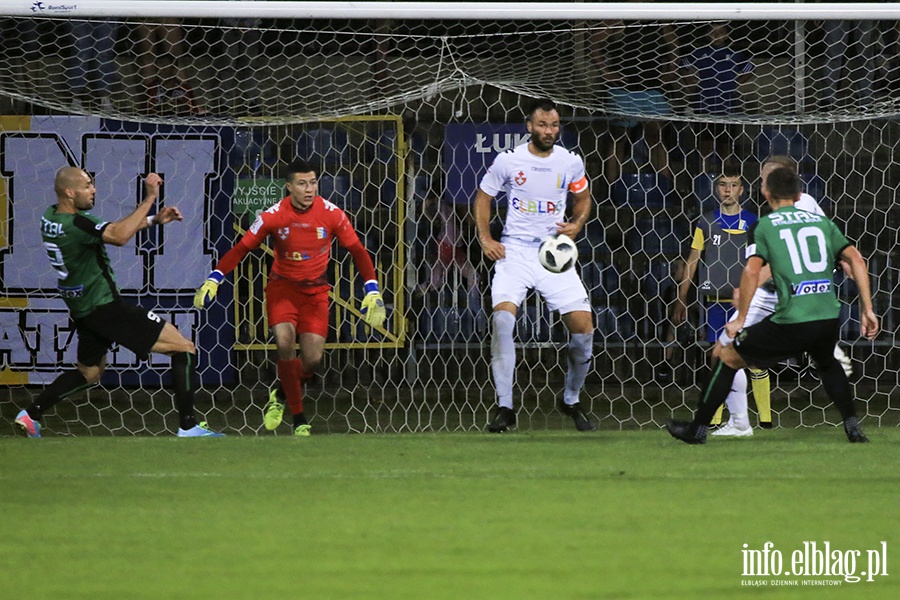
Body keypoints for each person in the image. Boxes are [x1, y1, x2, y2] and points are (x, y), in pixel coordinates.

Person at [666, 167, 879, 445]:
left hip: (791, 319)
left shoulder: (764, 226)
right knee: (827, 364)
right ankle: (853, 428)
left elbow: (753, 271)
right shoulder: (822, 224)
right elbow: (857, 261)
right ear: (799, 194)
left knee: (727, 357)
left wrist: (741, 317)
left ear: (766, 194)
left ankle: (698, 430)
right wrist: (868, 309)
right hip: (827, 315)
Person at [15, 168, 222, 438]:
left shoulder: (50, 217)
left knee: (89, 372)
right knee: (184, 348)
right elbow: (119, 236)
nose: (94, 190)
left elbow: (111, 230)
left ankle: (30, 415)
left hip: (83, 309)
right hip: (105, 307)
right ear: (69, 192)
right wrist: (150, 199)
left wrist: (153, 221)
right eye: (87, 186)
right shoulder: (78, 224)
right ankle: (188, 425)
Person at [194, 159, 386, 437]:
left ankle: (281, 393)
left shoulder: (332, 213)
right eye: (302, 183)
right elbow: (242, 248)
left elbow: (357, 250)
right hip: (282, 289)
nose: (309, 189)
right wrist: (215, 277)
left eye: (313, 182)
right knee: (285, 344)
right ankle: (299, 420)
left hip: (316, 293)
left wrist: (372, 289)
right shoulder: (274, 215)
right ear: (288, 186)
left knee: (312, 360)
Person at [474, 98, 596, 433]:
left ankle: (571, 398)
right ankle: (505, 407)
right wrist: (486, 238)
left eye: (554, 125)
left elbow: (584, 198)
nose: (548, 131)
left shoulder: (569, 162)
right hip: (514, 251)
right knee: (502, 320)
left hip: (553, 253)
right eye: (542, 124)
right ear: (529, 126)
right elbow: (484, 197)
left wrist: (576, 224)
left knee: (584, 329)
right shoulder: (509, 160)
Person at [665, 166, 769, 434]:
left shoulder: (754, 222)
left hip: (745, 302)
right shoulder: (706, 222)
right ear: (716, 189)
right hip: (714, 301)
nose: (727, 190)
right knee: (720, 359)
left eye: (733, 185)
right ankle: (726, 420)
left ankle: (755, 420)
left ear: (742, 190)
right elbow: (693, 260)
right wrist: (681, 298)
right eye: (723, 184)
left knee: (744, 358)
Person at [590, 15, 678, 183]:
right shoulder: (620, 17)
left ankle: (667, 190)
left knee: (656, 138)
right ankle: (613, 189)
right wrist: (605, 71)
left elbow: (673, 42)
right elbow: (594, 43)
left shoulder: (657, 19)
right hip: (623, 89)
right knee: (619, 139)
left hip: (652, 87)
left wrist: (672, 68)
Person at [680, 22, 754, 169]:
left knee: (725, 145)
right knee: (704, 144)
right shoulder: (700, 52)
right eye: (713, 32)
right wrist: (690, 84)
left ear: (726, 35)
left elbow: (750, 70)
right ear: (707, 35)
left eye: (720, 32)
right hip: (704, 103)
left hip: (727, 104)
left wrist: (734, 84)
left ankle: (727, 175)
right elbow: (683, 67)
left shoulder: (734, 54)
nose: (716, 36)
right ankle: (703, 175)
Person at [136, 19, 206, 116]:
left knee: (173, 55)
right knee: (149, 56)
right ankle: (150, 104)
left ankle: (187, 101)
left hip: (161, 7)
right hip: (148, 7)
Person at [67, 20, 121, 112]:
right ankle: (76, 100)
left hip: (107, 9)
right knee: (80, 51)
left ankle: (105, 100)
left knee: (104, 53)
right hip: (79, 10)